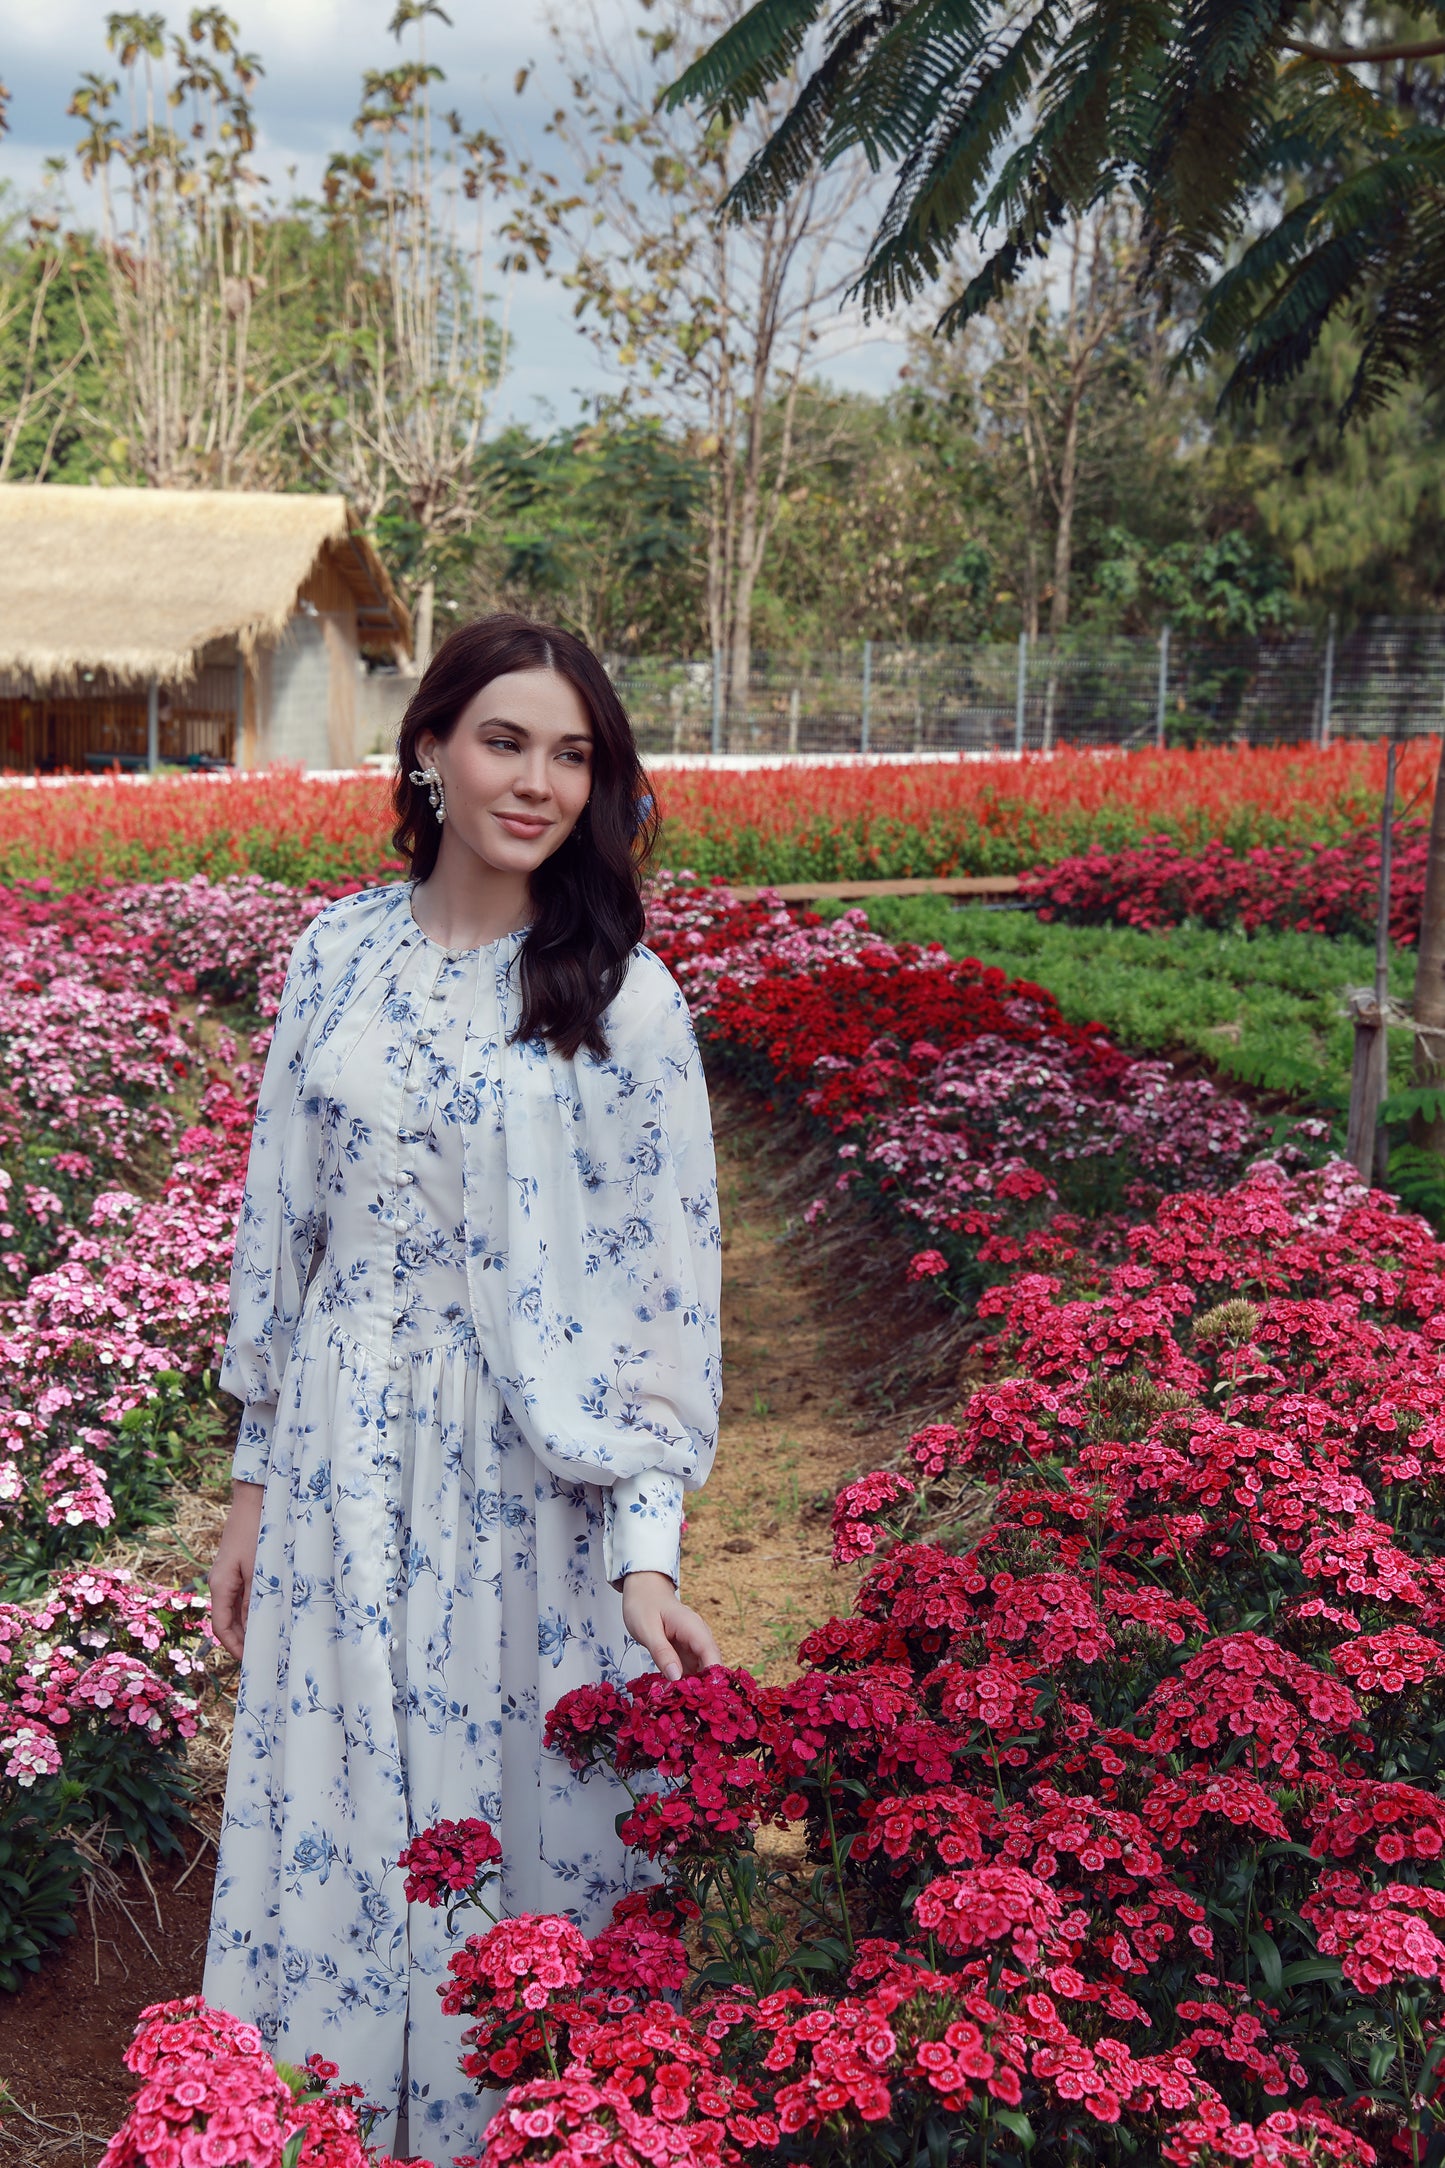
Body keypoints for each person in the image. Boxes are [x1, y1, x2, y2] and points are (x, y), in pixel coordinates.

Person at [202, 613, 724, 2165]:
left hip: (524, 1464)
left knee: (515, 1804)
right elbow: (278, 1223)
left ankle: (522, 2127)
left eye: (574, 756)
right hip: (345, 1446)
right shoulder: (333, 955)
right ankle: (330, 2121)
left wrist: (647, 1547)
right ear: (427, 748)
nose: (539, 782)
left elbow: (661, 1290)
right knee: (349, 1784)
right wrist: (249, 1482)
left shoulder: (622, 996)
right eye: (506, 741)